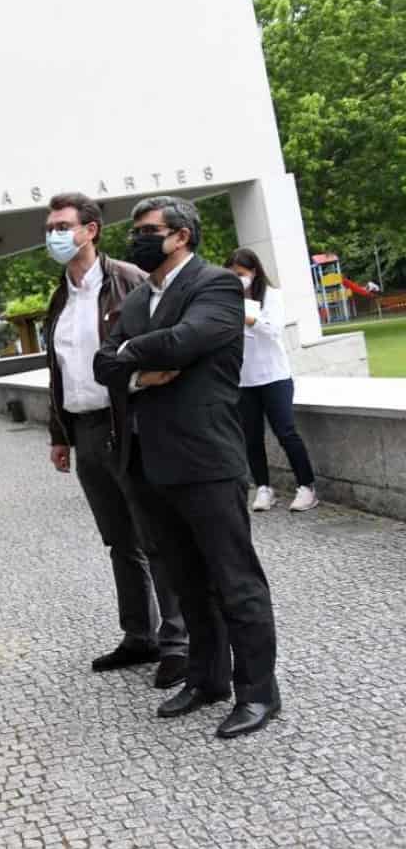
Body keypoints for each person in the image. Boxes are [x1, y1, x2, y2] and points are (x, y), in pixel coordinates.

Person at [93, 196, 281, 739]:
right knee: (185, 580)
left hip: (204, 457)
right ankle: (207, 679)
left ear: (181, 236)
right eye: (134, 232)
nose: (136, 240)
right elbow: (102, 363)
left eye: (147, 231)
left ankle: (259, 692)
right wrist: (137, 369)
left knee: (234, 580)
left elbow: (189, 339)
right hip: (148, 461)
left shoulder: (218, 284)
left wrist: (129, 353)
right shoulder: (138, 300)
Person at [42, 193, 187, 688]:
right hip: (84, 431)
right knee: (119, 541)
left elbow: (161, 346)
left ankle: (178, 643)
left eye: (62, 225)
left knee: (155, 536)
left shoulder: (129, 280)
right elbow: (57, 371)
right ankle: (139, 636)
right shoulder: (59, 297)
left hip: (127, 423)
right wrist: (59, 434)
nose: (53, 235)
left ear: (91, 229)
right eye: (50, 226)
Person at [229, 248, 319, 513]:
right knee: (252, 437)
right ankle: (264, 488)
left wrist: (247, 318)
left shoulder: (272, 296)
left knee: (286, 432)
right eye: (232, 275)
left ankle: (306, 486)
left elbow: (273, 330)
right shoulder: (227, 298)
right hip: (244, 380)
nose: (238, 279)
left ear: (254, 271)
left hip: (274, 376)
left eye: (241, 274)